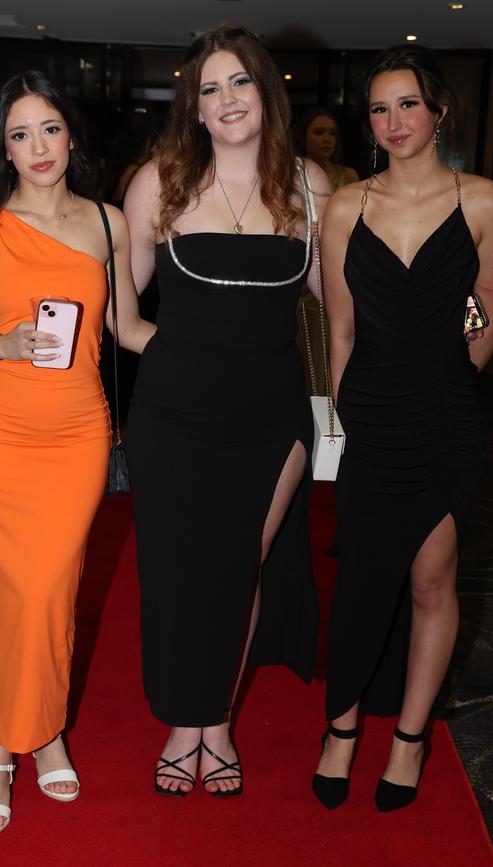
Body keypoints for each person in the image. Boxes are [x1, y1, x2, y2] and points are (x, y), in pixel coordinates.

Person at [0, 71, 153, 838]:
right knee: (10, 593)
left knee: (51, 592)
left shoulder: (108, 221)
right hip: (1, 433)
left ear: (71, 133)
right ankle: (12, 743)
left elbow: (126, 328)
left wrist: (217, 350)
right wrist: (2, 342)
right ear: (3, 147)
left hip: (79, 433)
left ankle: (34, 730)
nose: (37, 147)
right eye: (19, 134)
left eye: (49, 128)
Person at [123, 23, 332, 797]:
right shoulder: (158, 183)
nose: (226, 99)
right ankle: (191, 719)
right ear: (196, 110)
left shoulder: (312, 187)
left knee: (237, 563)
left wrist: (462, 318)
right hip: (174, 415)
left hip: (272, 415)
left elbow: (349, 303)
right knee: (181, 572)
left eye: (239, 82)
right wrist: (183, 358)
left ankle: (211, 717)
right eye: (209, 89)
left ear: (266, 92)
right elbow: (122, 318)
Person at [312, 44, 493, 812]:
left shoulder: (484, 201)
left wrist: (449, 361)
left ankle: (410, 738)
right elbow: (340, 331)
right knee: (363, 579)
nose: (393, 121)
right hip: (370, 417)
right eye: (379, 108)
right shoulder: (346, 206)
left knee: (432, 577)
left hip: (445, 416)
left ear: (439, 112)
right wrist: (340, 425)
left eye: (408, 105)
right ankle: (342, 727)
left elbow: (486, 307)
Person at [297, 108, 360, 396]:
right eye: (319, 132)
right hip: (306, 276)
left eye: (332, 133)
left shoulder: (349, 175)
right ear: (304, 137)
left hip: (344, 266)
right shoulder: (296, 175)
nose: (326, 139)